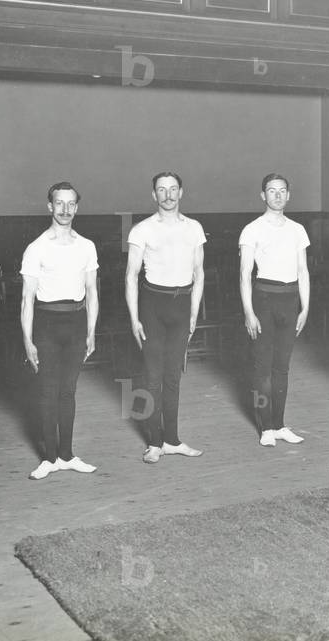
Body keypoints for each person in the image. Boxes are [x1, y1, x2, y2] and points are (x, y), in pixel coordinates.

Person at [20, 182, 100, 480]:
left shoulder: (86, 246)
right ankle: (49, 458)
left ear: (76, 208)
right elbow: (27, 298)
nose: (65, 209)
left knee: (68, 391)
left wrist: (91, 331)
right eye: (59, 203)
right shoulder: (37, 248)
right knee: (48, 392)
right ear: (50, 206)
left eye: (70, 204)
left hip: (76, 324)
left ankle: (67, 455)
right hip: (47, 324)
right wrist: (27, 340)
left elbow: (92, 292)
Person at [125, 172, 206, 464]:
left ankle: (172, 440)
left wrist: (194, 312)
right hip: (152, 306)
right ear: (154, 195)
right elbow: (131, 276)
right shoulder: (142, 230)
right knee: (153, 377)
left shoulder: (194, 228)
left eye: (173, 189)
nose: (168, 195)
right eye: (162, 190)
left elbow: (199, 273)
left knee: (173, 376)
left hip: (182, 306)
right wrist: (134, 318)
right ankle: (154, 443)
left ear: (181, 192)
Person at [239, 173, 311, 446]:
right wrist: (249, 311)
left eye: (282, 191)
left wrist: (305, 308)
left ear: (288, 195)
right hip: (264, 299)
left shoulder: (297, 229)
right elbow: (245, 274)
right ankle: (266, 427)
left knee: (282, 367)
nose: (277, 195)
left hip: (290, 300)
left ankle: (280, 425)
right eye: (272, 191)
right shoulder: (252, 229)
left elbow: (303, 271)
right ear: (263, 195)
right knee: (263, 368)